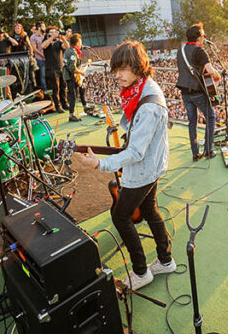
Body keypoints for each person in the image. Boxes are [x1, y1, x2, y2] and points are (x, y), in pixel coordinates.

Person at [71, 41, 174, 290]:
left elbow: (136, 152)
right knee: (149, 209)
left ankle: (141, 272)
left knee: (120, 216)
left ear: (138, 67)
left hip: (144, 168)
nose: (117, 75)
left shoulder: (149, 106)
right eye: (115, 69)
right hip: (152, 164)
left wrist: (100, 163)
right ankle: (166, 260)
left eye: (123, 69)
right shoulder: (140, 88)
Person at [175, 23, 221, 161]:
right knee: (210, 117)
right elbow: (211, 71)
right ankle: (208, 151)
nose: (204, 38)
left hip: (185, 92)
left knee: (192, 122)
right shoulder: (200, 51)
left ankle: (195, 153)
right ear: (199, 38)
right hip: (197, 91)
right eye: (203, 35)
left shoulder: (180, 51)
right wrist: (218, 76)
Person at [42, 26, 69, 113]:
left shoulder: (58, 42)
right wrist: (52, 37)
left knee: (63, 87)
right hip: (51, 69)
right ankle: (57, 106)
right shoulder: (46, 41)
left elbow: (67, 46)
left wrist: (63, 38)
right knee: (56, 88)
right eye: (52, 32)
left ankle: (65, 104)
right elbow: (43, 46)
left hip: (60, 67)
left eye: (55, 32)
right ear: (48, 33)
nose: (54, 33)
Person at [63, 33, 88, 122]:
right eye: (80, 42)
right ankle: (71, 115)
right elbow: (72, 68)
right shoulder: (72, 52)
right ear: (77, 43)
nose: (81, 44)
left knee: (80, 91)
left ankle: (85, 107)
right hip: (70, 76)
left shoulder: (70, 51)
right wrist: (81, 72)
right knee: (73, 95)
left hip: (72, 76)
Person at [30, 21, 47, 91]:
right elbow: (34, 48)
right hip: (40, 58)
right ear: (39, 28)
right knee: (42, 75)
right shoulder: (33, 37)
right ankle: (45, 90)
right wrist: (43, 55)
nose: (45, 28)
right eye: (43, 26)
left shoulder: (46, 35)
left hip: (49, 58)